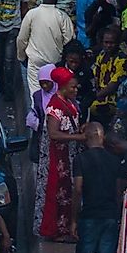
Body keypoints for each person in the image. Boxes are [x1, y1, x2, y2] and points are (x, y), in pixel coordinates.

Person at [61, 122, 122, 253]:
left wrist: (73, 219)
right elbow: (118, 191)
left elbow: (77, 189)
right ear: (102, 138)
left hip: (89, 215)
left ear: (86, 138)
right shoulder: (114, 160)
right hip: (109, 216)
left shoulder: (81, 160)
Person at [36, 66, 85, 241]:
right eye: (72, 87)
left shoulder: (70, 103)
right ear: (62, 87)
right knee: (59, 191)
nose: (75, 90)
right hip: (58, 158)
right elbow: (54, 133)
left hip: (69, 154)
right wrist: (79, 137)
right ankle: (57, 231)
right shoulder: (54, 107)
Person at [18, 0, 75, 94]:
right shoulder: (62, 16)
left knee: (36, 93)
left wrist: (21, 56)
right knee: (54, 92)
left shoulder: (31, 14)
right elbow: (69, 40)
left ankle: (38, 110)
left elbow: (22, 39)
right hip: (55, 62)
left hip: (35, 61)